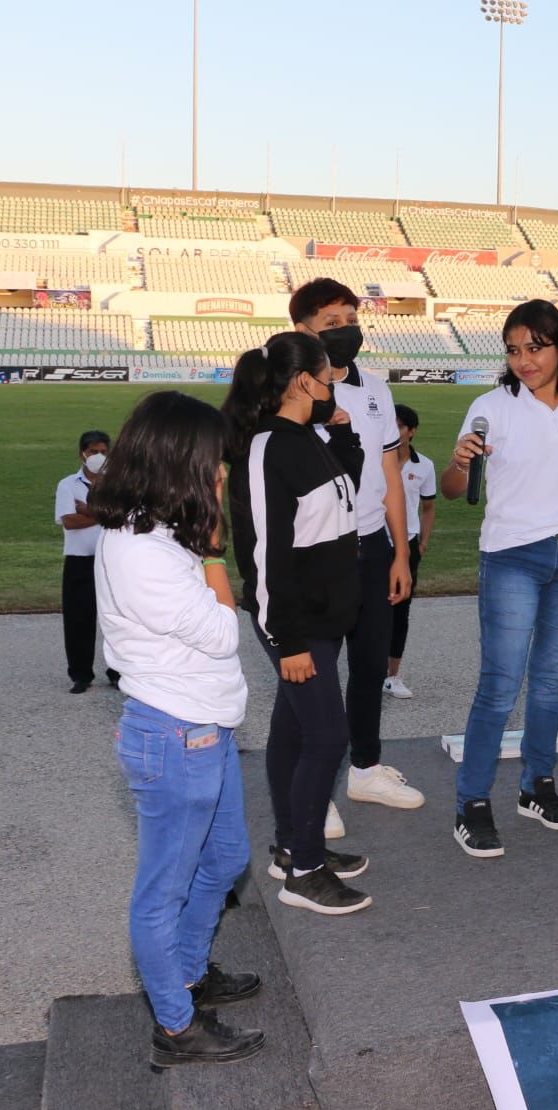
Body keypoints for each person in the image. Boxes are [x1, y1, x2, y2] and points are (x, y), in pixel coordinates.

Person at [90, 390, 262, 1067]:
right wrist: (216, 551)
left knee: (225, 859)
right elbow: (225, 630)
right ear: (177, 461)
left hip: (203, 730)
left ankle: (189, 973)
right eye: (213, 464)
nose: (219, 476)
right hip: (174, 735)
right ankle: (175, 1026)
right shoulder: (143, 550)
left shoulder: (155, 527)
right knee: (161, 892)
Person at [443, 299, 558, 859]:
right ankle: (471, 802)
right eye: (514, 350)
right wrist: (456, 461)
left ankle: (536, 785)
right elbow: (455, 490)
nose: (524, 360)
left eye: (535, 348)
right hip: (512, 557)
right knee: (499, 685)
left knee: (551, 679)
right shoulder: (490, 407)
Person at [223, 332, 372, 914]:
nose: (335, 380)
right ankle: (304, 871)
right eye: (327, 374)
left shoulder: (308, 437)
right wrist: (284, 639)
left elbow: (347, 487)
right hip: (296, 623)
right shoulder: (267, 449)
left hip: (325, 618)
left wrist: (339, 427)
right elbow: (262, 556)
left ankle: (294, 846)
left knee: (292, 730)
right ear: (302, 381)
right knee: (328, 737)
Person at [290, 279, 423, 829]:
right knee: (314, 675)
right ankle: (312, 788)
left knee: (370, 666)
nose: (346, 329)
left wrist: (398, 552)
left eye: (351, 317)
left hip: (372, 546)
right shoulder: (291, 391)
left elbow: (390, 471)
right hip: (318, 552)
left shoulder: (375, 390)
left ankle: (365, 768)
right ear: (302, 331)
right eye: (331, 323)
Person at [55, 429, 116, 693]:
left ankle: (118, 672)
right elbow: (69, 522)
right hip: (80, 560)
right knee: (78, 618)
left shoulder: (118, 484)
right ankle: (81, 674)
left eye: (103, 452)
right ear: (82, 453)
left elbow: (124, 516)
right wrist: (105, 514)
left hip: (113, 561)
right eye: (93, 452)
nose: (98, 457)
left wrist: (88, 510)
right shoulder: (68, 484)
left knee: (117, 618)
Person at [384, 403, 436, 699]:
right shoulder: (374, 461)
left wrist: (423, 541)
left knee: (400, 611)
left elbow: (429, 508)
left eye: (401, 426)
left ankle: (392, 676)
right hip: (376, 544)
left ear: (411, 432)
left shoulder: (424, 465)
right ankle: (367, 669)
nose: (395, 431)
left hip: (408, 546)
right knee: (369, 609)